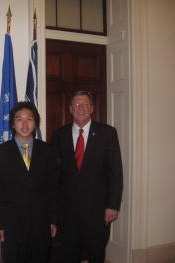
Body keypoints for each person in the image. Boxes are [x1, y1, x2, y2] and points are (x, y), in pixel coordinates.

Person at [51, 90, 123, 263]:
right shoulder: (59, 135)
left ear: (91, 108)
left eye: (85, 104)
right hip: (67, 212)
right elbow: (54, 175)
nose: (80, 108)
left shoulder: (108, 133)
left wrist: (112, 206)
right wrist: (53, 212)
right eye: (76, 104)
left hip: (98, 212)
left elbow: (116, 172)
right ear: (70, 109)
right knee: (69, 254)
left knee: (96, 254)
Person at [0, 101, 58, 263]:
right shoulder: (0, 152)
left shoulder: (47, 151)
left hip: (40, 223)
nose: (25, 124)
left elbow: (53, 189)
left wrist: (53, 220)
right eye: (19, 119)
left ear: (35, 123)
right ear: (13, 124)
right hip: (11, 224)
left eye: (30, 119)